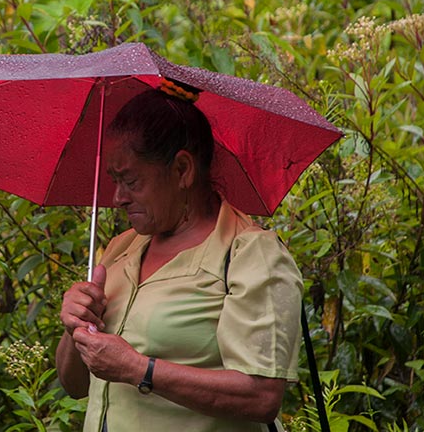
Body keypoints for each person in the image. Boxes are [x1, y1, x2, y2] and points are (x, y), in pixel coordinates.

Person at [55, 84, 304, 432]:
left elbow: (261, 397)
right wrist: (74, 326)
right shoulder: (120, 249)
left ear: (182, 169)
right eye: (114, 180)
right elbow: (75, 386)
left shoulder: (250, 254)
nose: (117, 197)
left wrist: (138, 369)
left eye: (131, 180)